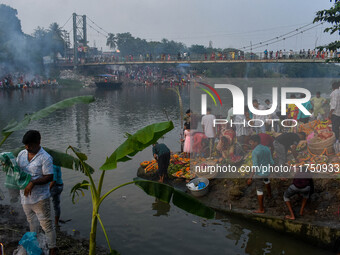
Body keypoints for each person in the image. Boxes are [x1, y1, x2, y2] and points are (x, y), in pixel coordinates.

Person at [16, 130, 57, 255]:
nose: (27, 147)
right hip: (25, 198)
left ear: (38, 143)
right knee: (31, 222)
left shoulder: (45, 158)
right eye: (26, 145)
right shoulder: (22, 154)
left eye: (30, 145)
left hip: (40, 198)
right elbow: (17, 170)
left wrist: (33, 182)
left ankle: (52, 249)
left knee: (46, 225)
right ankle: (34, 246)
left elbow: (49, 176)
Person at [247, 135, 274, 214]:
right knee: (267, 181)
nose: (251, 144)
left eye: (251, 142)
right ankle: (270, 195)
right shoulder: (266, 148)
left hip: (259, 173)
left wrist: (250, 178)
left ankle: (261, 209)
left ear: (256, 142)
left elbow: (255, 166)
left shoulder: (255, 151)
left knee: (259, 190)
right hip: (266, 171)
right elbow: (271, 161)